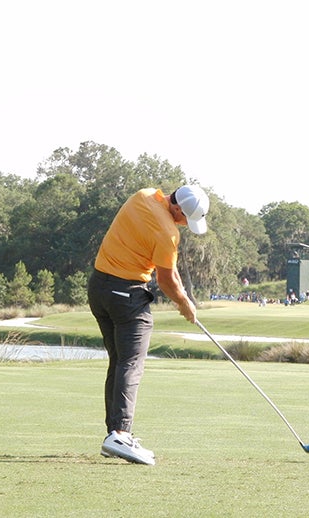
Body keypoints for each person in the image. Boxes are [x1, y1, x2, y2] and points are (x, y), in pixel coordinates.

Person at [87, 185, 209, 465]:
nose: (184, 224)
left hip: (98, 289)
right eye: (184, 218)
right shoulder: (168, 232)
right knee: (131, 363)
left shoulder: (143, 195)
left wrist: (183, 296)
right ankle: (120, 434)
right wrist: (185, 303)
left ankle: (114, 435)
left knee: (120, 362)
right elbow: (166, 280)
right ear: (177, 208)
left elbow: (170, 270)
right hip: (126, 295)